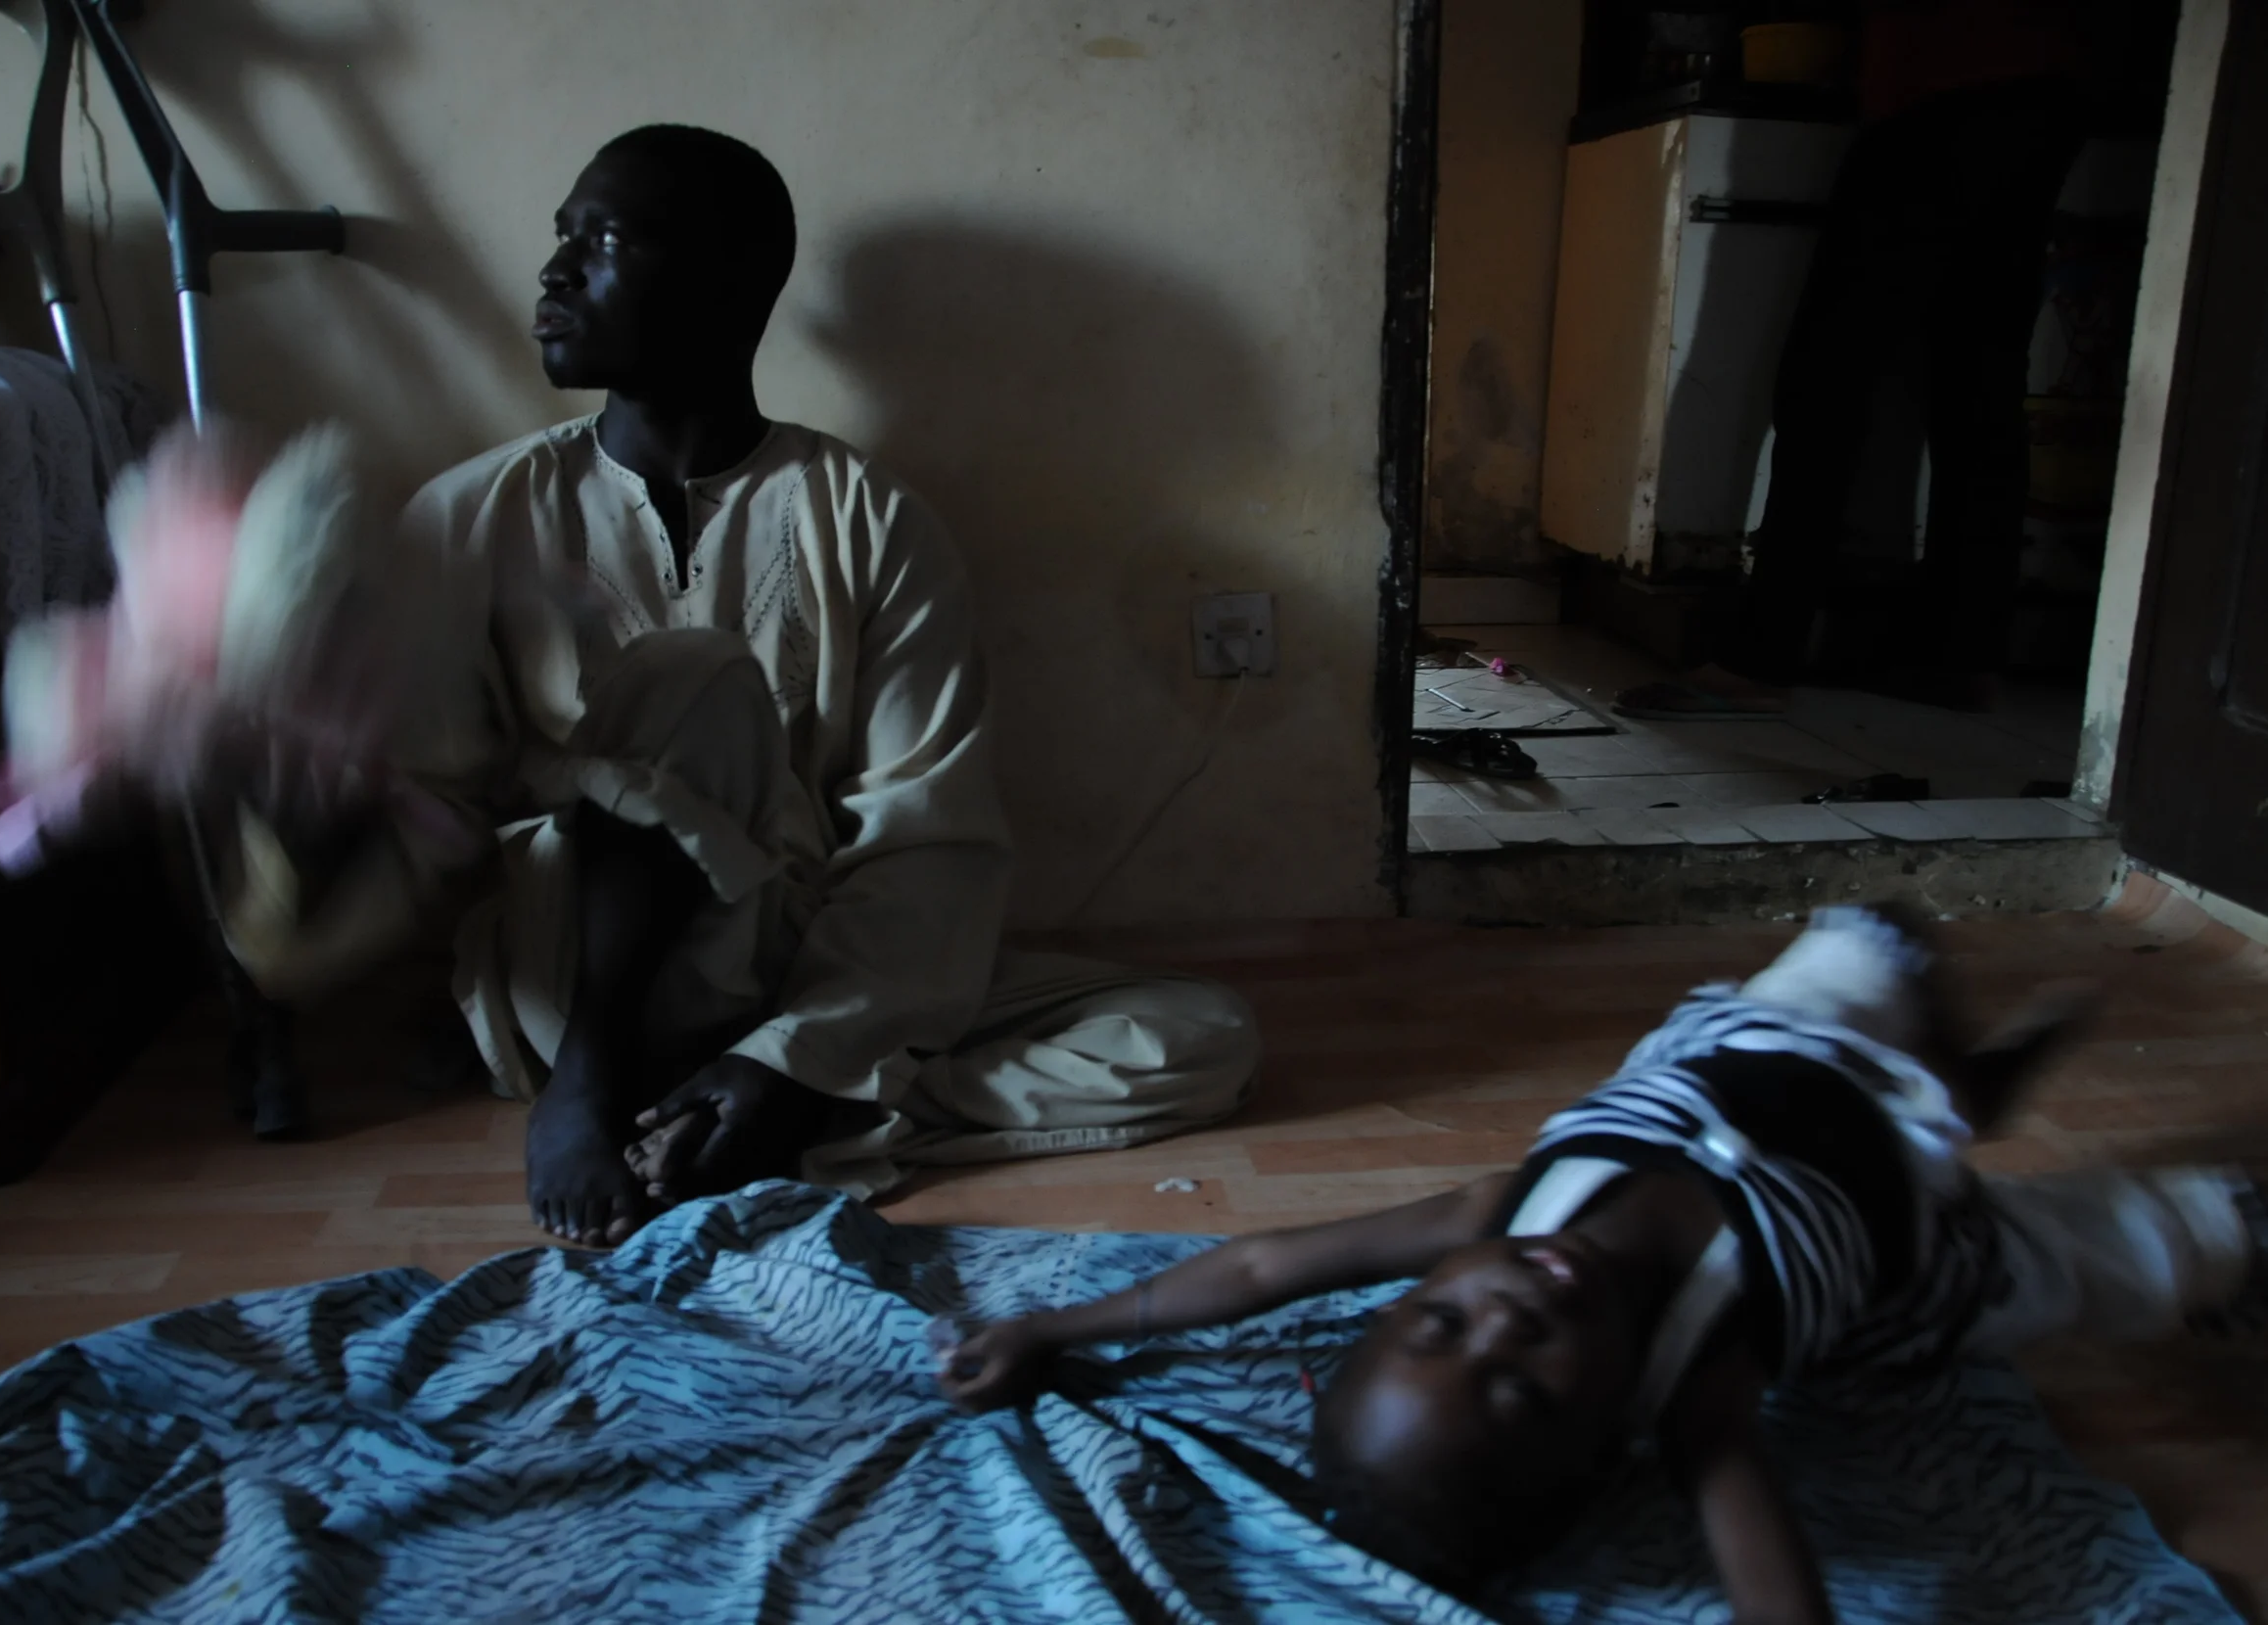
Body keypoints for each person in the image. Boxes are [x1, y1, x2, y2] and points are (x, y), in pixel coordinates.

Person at [254, 124, 1259, 1248]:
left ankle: (748, 1105)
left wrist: (799, 1051)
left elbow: (925, 833)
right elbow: (426, 803)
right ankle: (608, 1088)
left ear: (727, 280)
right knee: (693, 675)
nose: (554, 270)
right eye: (561, 237)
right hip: (579, 984)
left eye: (603, 240)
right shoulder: (469, 515)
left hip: (795, 961)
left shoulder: (871, 518)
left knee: (1195, 1034)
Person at [936, 905, 2263, 1620]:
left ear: (1409, 1301)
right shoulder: (1703, 1391)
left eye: (1440, 1329)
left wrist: (1057, 1329)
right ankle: (1974, 1123)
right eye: (1521, 1387)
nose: (1504, 1320)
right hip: (1915, 1247)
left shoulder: (1497, 1216)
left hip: (1772, 1054)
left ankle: (1958, 1091)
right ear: (1607, 1433)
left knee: (1876, 936)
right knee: (2187, 1241)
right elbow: (1774, 1588)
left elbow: (1256, 1268)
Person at [1621, 1, 2131, 720]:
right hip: (2043, 89)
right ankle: (1964, 655)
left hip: (1941, 90)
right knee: (1978, 388)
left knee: (1827, 378)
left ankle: (1762, 655)